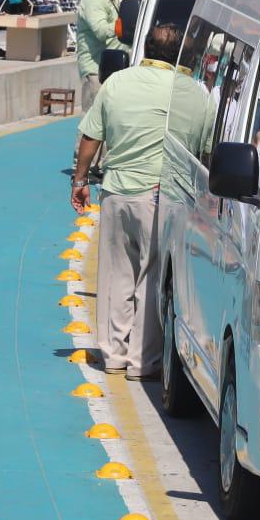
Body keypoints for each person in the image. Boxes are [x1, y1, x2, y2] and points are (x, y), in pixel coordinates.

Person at [69, 23, 190, 379]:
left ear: (146, 49)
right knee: (150, 277)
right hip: (158, 195)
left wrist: (79, 180)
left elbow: (91, 135)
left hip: (116, 191)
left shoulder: (116, 82)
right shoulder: (186, 91)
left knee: (115, 275)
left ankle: (113, 355)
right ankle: (142, 361)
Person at [76, 0, 126, 110]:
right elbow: (100, 30)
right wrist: (123, 25)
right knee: (91, 122)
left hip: (109, 67)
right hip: (96, 71)